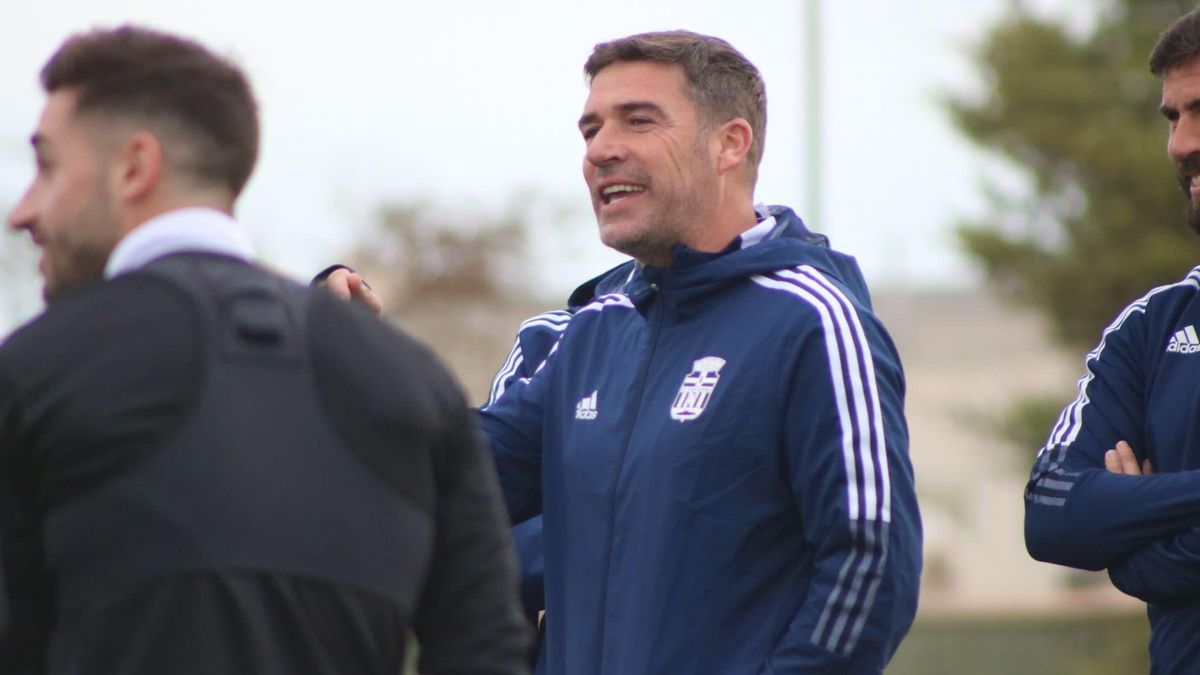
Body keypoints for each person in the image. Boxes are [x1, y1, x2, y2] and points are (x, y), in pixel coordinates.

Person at [0, 26, 530, 675]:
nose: (22, 210)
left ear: (134, 166)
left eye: (47, 164)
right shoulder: (414, 379)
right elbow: (484, 648)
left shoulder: (31, 373)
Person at [479, 31, 922, 674]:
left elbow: (871, 566)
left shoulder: (812, 322)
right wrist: (344, 356)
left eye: (639, 121)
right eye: (591, 129)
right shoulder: (593, 330)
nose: (602, 150)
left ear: (729, 144)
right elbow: (454, 477)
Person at [1024, 8, 1200, 673]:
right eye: (1172, 118)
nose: (1181, 144)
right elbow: (1052, 515)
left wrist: (1138, 547)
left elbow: (1109, 529)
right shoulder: (1153, 327)